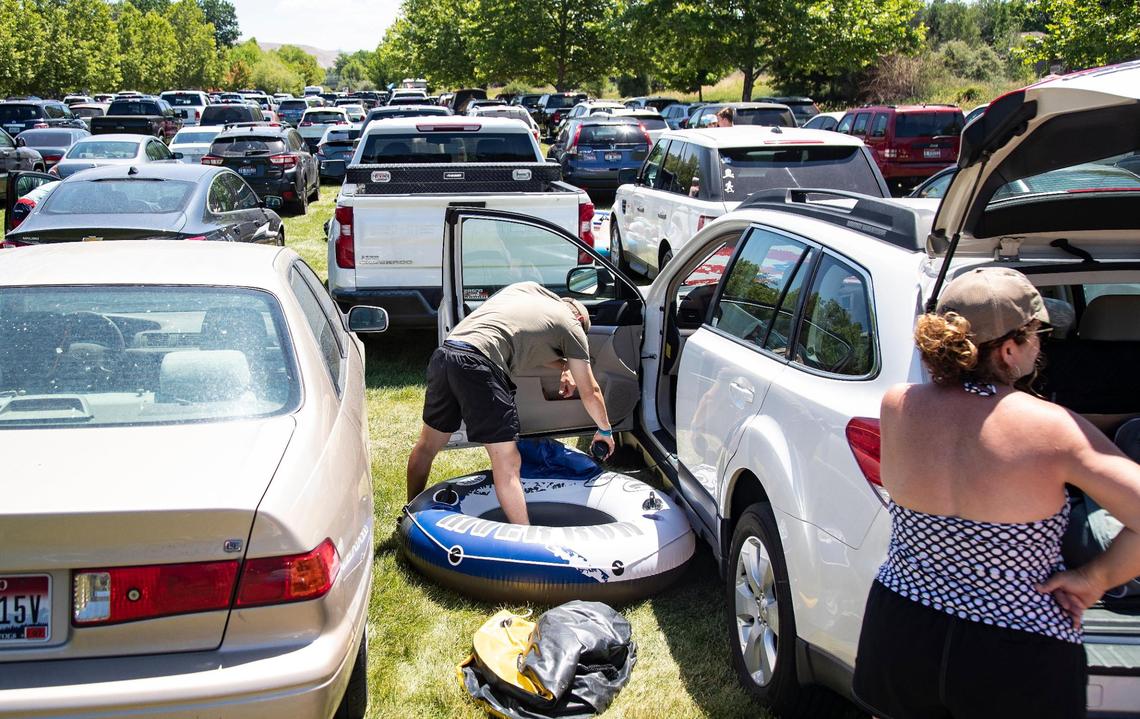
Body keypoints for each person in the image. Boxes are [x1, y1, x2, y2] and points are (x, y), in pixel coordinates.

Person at [852, 267, 1140, 718]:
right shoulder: (1049, 426)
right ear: (1010, 349)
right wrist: (1093, 581)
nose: (1041, 344)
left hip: (901, 626)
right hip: (1014, 646)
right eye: (1037, 334)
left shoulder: (898, 405)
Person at [406, 281, 615, 526]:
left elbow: (528, 344)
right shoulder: (572, 326)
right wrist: (605, 430)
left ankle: (409, 515)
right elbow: (591, 391)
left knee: (428, 446)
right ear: (579, 318)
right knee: (508, 461)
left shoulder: (526, 291)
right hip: (479, 365)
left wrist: (565, 365)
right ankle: (524, 537)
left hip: (447, 354)